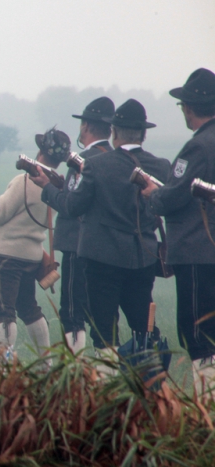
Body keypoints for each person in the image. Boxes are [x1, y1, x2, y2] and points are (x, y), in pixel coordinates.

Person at [33, 99, 170, 376]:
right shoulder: (161, 165)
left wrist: (48, 188)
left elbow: (73, 206)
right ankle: (151, 383)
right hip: (143, 258)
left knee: (104, 332)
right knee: (142, 326)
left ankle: (107, 384)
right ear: (143, 134)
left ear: (115, 131)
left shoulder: (96, 165)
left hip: (102, 260)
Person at [0, 127, 71, 363]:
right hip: (32, 256)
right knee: (30, 309)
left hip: (7, 255)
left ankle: (3, 365)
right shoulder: (57, 187)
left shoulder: (24, 181)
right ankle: (46, 363)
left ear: (41, 152)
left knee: (4, 313)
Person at [141, 68, 215, 389]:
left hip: (199, 252)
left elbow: (173, 196)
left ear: (188, 107)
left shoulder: (198, 147)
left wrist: (153, 195)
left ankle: (206, 407)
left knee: (199, 335)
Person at [42, 97, 114, 354]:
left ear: (86, 126)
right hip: (109, 248)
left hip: (77, 244)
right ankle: (108, 366)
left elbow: (71, 204)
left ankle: (76, 366)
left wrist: (48, 188)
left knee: (72, 310)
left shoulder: (81, 161)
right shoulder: (117, 159)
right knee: (104, 311)